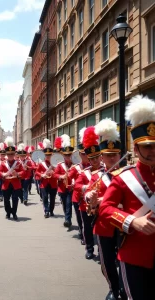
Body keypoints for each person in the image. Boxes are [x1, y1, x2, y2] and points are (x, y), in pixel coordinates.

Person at [99, 95, 155, 300]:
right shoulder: (124, 177)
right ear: (136, 147)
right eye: (147, 145)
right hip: (134, 255)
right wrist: (132, 221)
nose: (153, 150)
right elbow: (105, 210)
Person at [85, 118, 124, 300]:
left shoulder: (128, 175)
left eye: (115, 154)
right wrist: (91, 199)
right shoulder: (96, 176)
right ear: (102, 156)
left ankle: (124, 287)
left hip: (124, 224)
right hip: (104, 224)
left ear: (119, 154)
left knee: (125, 260)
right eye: (107, 154)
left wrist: (104, 200)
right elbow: (89, 199)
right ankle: (113, 288)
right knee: (107, 261)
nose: (111, 158)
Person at [74, 127, 103, 260]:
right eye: (92, 158)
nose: (95, 161)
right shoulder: (84, 173)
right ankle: (89, 248)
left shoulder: (106, 171)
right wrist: (86, 188)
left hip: (101, 205)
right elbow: (77, 185)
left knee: (102, 228)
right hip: (85, 205)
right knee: (87, 228)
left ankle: (104, 250)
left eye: (97, 157)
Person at [68, 128, 90, 245]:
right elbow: (68, 177)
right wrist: (71, 182)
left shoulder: (97, 166)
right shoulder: (76, 167)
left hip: (92, 198)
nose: (85, 156)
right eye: (83, 154)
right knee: (81, 220)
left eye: (87, 154)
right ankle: (82, 234)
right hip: (78, 197)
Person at [0, 137, 23, 220]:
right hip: (6, 183)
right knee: (6, 200)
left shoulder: (18, 163)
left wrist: (17, 174)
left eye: (12, 154)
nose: (10, 156)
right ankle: (8, 212)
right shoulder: (3, 163)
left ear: (14, 154)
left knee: (15, 199)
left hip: (15, 184)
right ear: (6, 154)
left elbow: (23, 172)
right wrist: (4, 174)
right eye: (8, 154)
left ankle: (14, 213)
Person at [54, 134, 74, 228]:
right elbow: (55, 174)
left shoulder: (75, 165)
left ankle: (67, 220)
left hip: (71, 188)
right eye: (66, 155)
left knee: (69, 203)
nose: (67, 157)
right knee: (65, 204)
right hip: (62, 188)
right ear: (63, 155)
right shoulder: (60, 164)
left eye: (69, 155)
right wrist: (61, 176)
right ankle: (67, 217)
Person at [35, 139, 57, 217]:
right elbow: (37, 172)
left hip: (53, 183)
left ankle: (51, 210)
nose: (48, 156)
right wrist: (41, 175)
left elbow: (58, 172)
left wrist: (53, 173)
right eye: (46, 155)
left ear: (52, 154)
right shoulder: (41, 163)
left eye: (49, 155)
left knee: (52, 198)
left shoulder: (55, 163)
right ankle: (46, 211)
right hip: (44, 183)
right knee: (44, 197)